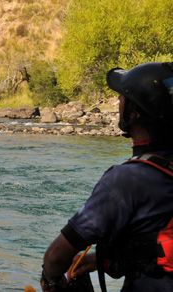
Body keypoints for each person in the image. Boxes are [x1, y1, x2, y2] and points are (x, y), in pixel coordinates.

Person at [41, 62, 173, 291]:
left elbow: (55, 258)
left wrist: (51, 279)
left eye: (122, 98)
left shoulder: (126, 180)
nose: (117, 102)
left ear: (134, 113)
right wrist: (100, 260)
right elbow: (155, 246)